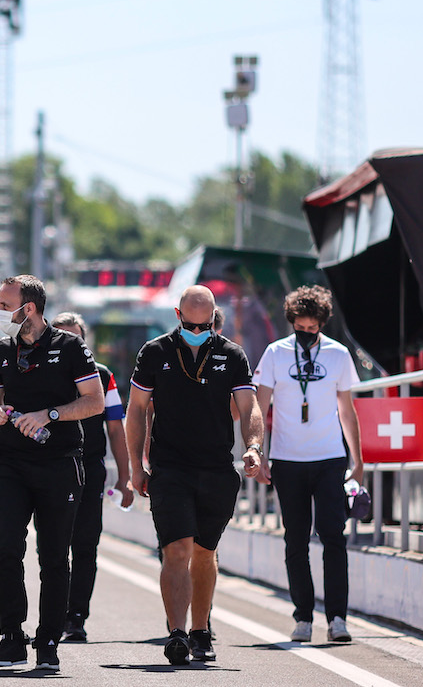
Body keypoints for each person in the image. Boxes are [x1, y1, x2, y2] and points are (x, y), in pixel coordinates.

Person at [125, 285, 263, 665]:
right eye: (191, 325)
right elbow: (135, 410)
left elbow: (249, 405)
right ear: (178, 315)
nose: (198, 332)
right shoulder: (155, 352)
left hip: (216, 469)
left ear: (215, 318)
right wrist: (136, 467)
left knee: (204, 553)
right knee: (177, 549)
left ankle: (201, 629)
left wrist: (253, 446)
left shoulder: (232, 354)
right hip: (169, 469)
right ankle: (177, 633)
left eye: (206, 326)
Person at [0, 275, 103, 671]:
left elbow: (94, 402)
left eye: (5, 304)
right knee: (7, 551)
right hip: (10, 464)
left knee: (53, 556)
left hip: (59, 463)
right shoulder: (2, 349)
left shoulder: (71, 347)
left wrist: (49, 414)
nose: (0, 311)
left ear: (28, 308)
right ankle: (12, 637)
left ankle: (48, 641)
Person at [253, 285, 362, 644]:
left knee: (334, 537)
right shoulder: (275, 353)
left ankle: (338, 619)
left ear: (322, 325)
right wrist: (260, 452)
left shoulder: (338, 354)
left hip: (330, 457)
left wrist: (357, 459)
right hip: (287, 460)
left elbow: (347, 409)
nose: (306, 336)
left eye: (312, 330)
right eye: (300, 329)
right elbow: (260, 406)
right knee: (295, 539)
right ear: (291, 323)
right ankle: (303, 617)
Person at [50, 312, 134, 643]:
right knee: (52, 547)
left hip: (90, 469)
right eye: (62, 337)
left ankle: (76, 617)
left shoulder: (102, 375)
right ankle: (51, 618)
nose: (69, 344)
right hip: (50, 469)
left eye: (76, 338)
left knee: (85, 546)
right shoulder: (39, 371)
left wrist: (125, 476)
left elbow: (116, 426)